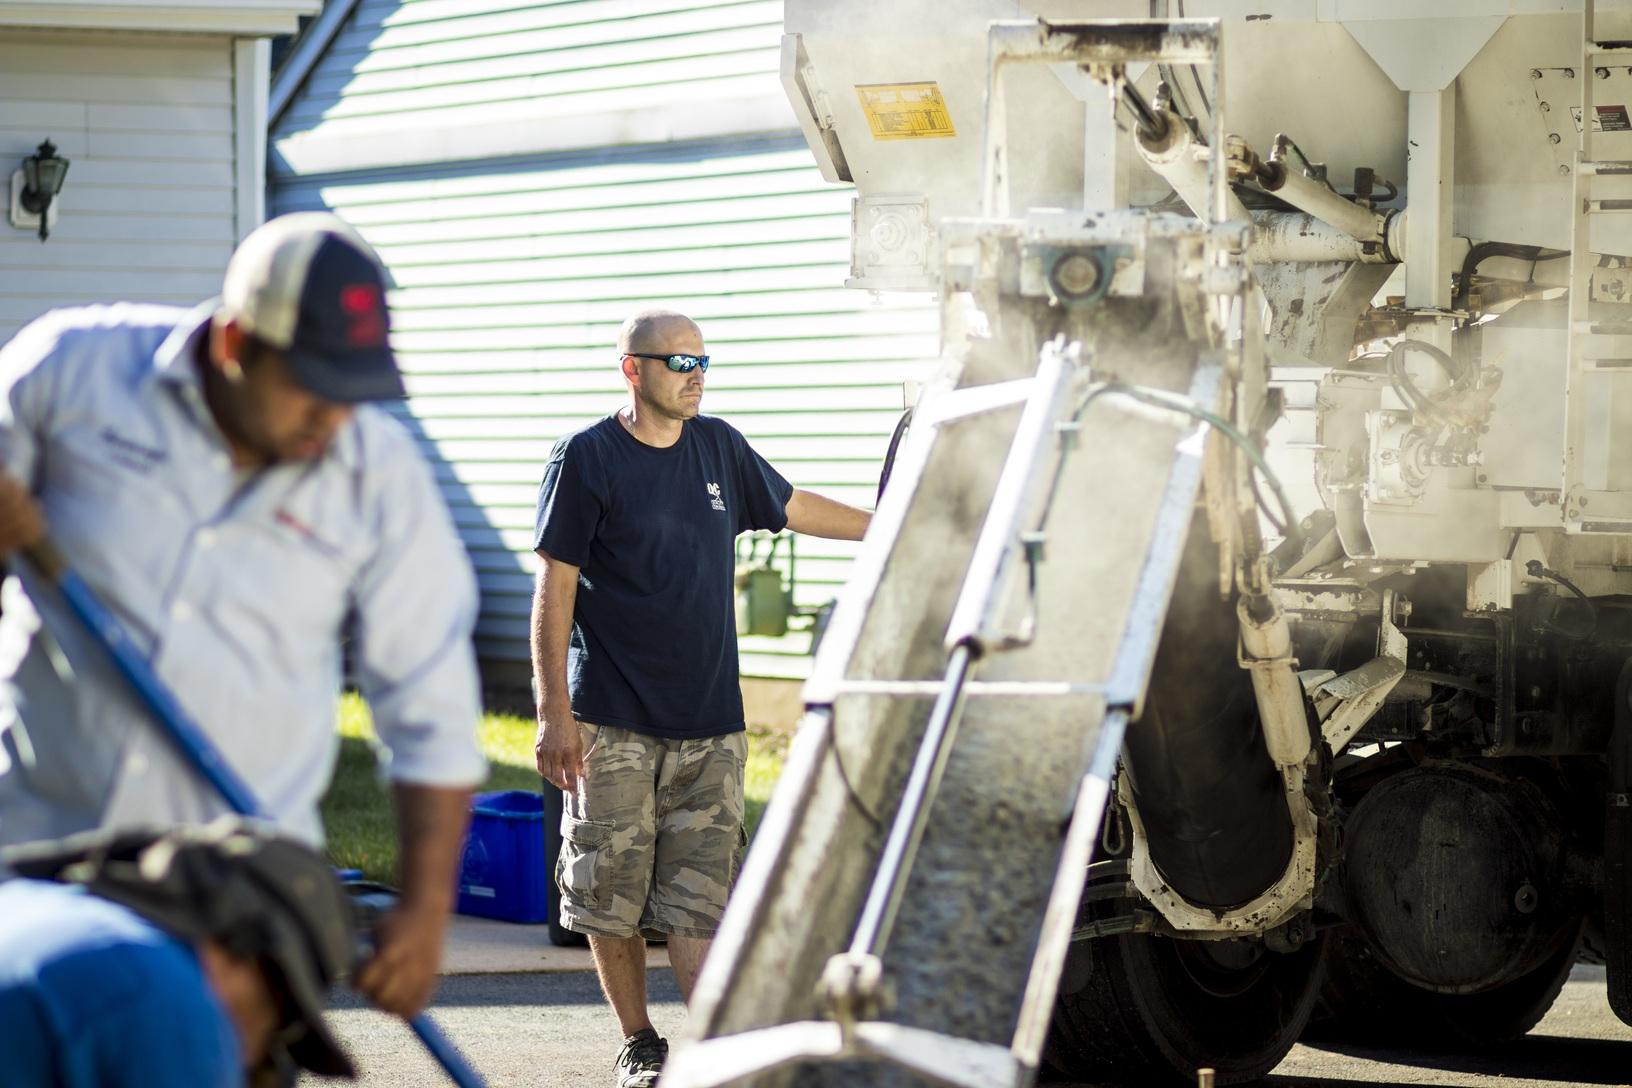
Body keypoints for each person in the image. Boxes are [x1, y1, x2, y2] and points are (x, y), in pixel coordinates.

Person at [0, 212, 486, 1018]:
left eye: (353, 393)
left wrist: (425, 916)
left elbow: (431, 709)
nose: (334, 419)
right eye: (314, 386)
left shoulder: (379, 478)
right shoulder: (68, 370)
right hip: (33, 861)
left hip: (233, 903)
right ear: (233, 345)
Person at [531, 309, 872, 1087]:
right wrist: (554, 712)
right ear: (633, 369)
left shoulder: (719, 446)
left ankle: (717, 1049)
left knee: (700, 900)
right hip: (610, 721)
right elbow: (554, 586)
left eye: (703, 361)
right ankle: (639, 1041)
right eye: (680, 362)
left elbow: (791, 507)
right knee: (607, 894)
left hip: (711, 724)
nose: (696, 375)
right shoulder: (586, 458)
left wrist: (889, 528)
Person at [0, 817, 358, 1088]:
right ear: (243, 952)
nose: (248, 1056)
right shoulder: (163, 996)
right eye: (273, 1019)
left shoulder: (34, 905)